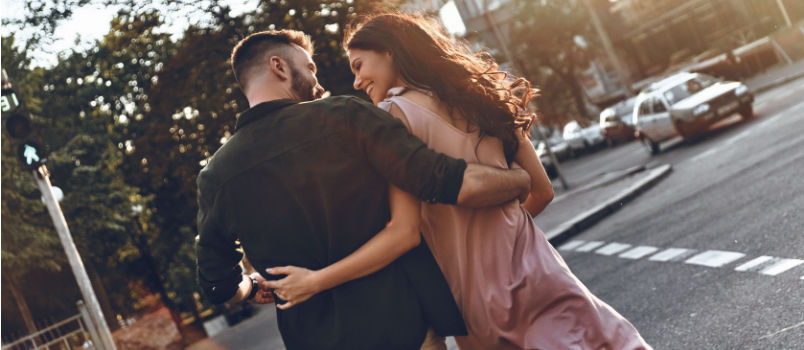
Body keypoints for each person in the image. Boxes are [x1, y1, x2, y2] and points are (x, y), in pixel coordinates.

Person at [265, 14, 653, 350]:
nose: (356, 81)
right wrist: (504, 234)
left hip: (473, 297)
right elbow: (542, 191)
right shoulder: (486, 96)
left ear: (389, 52)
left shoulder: (390, 116)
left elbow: (400, 228)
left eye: (359, 64)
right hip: (540, 272)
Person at [195, 29, 534, 350]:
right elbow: (444, 180)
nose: (317, 81)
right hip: (403, 327)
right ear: (279, 66)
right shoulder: (346, 116)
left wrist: (250, 288)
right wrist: (520, 180)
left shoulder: (216, 175)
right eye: (309, 68)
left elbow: (217, 285)